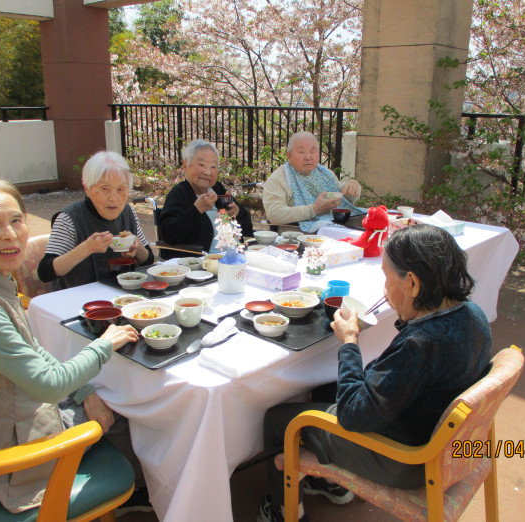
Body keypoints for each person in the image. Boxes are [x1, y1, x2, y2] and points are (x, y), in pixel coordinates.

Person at [0, 179, 150, 514]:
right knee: (132, 400)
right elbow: (49, 385)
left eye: (16, 220)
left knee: (102, 390)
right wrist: (104, 343)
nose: (10, 233)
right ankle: (136, 494)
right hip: (2, 464)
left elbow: (34, 351)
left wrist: (84, 390)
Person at [259, 225, 493, 521]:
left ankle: (282, 509)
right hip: (444, 443)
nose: (385, 289)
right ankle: (330, 483)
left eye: (386, 276)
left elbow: (353, 415)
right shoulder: (475, 315)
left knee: (278, 419)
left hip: (404, 458)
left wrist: (349, 342)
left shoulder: (420, 345)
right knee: (325, 389)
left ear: (412, 283)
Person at [38, 151, 154, 290]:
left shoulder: (128, 212)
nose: (113, 197)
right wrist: (87, 248)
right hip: (80, 302)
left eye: (120, 189)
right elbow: (45, 272)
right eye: (105, 188)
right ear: (87, 189)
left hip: (123, 296)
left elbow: (149, 259)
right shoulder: (69, 219)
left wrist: (137, 248)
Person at [158, 139, 253, 260]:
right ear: (185, 164)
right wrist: (197, 210)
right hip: (204, 265)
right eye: (201, 165)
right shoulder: (179, 194)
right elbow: (168, 235)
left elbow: (247, 228)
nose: (207, 172)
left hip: (236, 259)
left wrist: (237, 213)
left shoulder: (218, 189)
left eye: (213, 166)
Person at [262, 131, 363, 232]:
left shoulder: (324, 173)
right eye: (301, 152)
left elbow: (343, 195)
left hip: (332, 231)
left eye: (312, 151)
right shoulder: (278, 179)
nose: (308, 157)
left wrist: (353, 187)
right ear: (289, 156)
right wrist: (315, 209)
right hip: (297, 236)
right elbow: (275, 214)